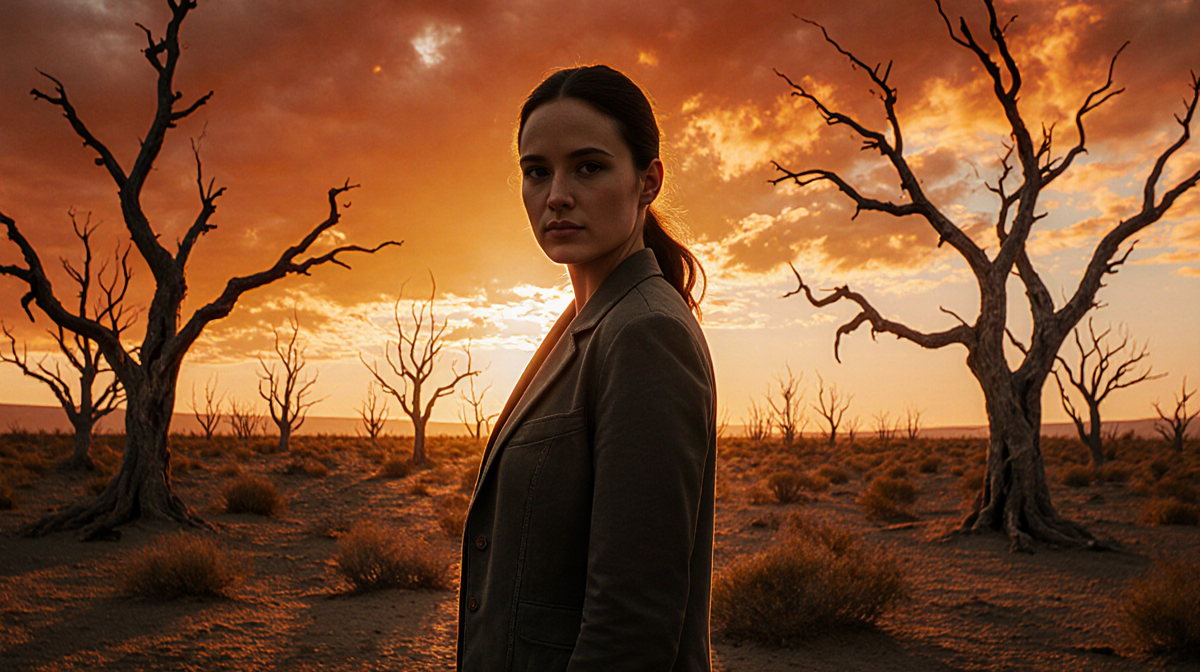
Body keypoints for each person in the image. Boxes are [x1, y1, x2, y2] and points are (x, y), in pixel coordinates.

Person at [455, 64, 717, 672]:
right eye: (536, 171)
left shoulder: (645, 333)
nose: (557, 195)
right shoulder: (588, 320)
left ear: (648, 181)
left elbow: (632, 624)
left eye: (589, 167)